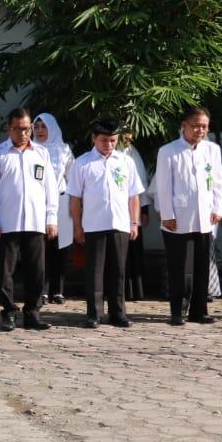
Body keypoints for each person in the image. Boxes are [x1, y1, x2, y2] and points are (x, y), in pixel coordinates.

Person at [0, 108, 58, 331]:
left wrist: (51, 218)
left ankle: (32, 312)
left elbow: (50, 188)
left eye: (28, 129)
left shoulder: (41, 153)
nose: (25, 133)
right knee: (5, 271)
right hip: (8, 222)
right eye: (20, 129)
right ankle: (8, 311)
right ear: (10, 129)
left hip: (35, 221)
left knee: (37, 269)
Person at [155, 106, 222, 326]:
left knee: (202, 265)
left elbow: (218, 182)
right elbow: (163, 186)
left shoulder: (212, 150)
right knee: (177, 265)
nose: (200, 130)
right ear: (184, 126)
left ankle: (199, 310)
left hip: (204, 217)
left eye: (204, 126)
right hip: (177, 216)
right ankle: (176, 311)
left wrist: (217, 208)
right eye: (196, 126)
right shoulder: (168, 151)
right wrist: (166, 214)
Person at [69, 120, 145, 329]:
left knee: (118, 270)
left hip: (120, 223)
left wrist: (134, 222)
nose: (108, 145)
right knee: (94, 271)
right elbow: (75, 199)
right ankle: (94, 313)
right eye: (104, 140)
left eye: (113, 140)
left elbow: (134, 196)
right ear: (94, 138)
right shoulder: (83, 163)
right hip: (93, 225)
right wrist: (77, 226)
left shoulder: (125, 162)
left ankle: (118, 312)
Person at [33, 113, 75, 304]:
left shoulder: (64, 149)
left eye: (44, 126)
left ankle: (58, 290)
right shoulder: (30, 149)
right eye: (37, 126)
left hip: (61, 202)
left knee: (61, 247)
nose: (40, 130)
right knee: (39, 247)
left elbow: (73, 178)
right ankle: (41, 289)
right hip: (38, 203)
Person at [122, 134, 151, 301]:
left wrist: (144, 210)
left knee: (133, 251)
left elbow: (141, 184)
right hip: (111, 211)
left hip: (133, 210)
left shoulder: (133, 154)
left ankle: (135, 290)